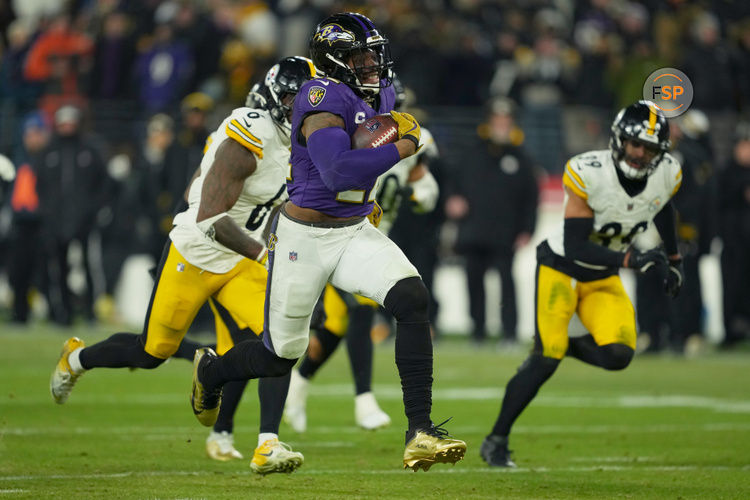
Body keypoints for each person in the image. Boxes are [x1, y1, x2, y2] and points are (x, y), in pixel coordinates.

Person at [188, 12, 466, 472]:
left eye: (374, 55)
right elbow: (338, 173)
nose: (373, 66)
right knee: (279, 356)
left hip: (353, 230)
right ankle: (211, 371)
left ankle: (419, 430)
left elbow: (363, 159)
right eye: (361, 57)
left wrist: (375, 190)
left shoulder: (382, 92)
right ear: (336, 60)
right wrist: (402, 146)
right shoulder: (320, 98)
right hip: (304, 238)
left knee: (412, 298)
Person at [50, 56, 315, 475]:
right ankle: (77, 359)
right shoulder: (251, 133)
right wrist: (266, 254)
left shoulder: (298, 143)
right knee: (154, 351)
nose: (300, 109)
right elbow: (209, 215)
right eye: (291, 98)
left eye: (307, 101)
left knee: (281, 341)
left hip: (241, 259)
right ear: (270, 96)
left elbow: (209, 183)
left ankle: (267, 443)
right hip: (198, 251)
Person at [480, 101, 683, 467]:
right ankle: (496, 439)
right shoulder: (589, 171)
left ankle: (566, 347)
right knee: (544, 360)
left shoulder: (667, 173)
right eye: (634, 144)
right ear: (618, 140)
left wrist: (674, 258)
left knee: (619, 355)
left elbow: (663, 206)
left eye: (649, 147)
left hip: (602, 276)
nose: (639, 154)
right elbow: (575, 245)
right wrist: (632, 259)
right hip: (562, 269)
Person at [283, 76, 440, 433]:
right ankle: (364, 401)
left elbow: (425, 186)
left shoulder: (415, 138)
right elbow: (332, 171)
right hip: (338, 235)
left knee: (337, 327)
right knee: (358, 314)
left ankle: (298, 385)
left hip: (372, 241)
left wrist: (417, 192)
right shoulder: (350, 129)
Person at [444, 97, 538, 345]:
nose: (501, 125)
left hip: (506, 233)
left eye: (506, 121)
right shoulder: (471, 153)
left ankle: (509, 333)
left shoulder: (522, 159)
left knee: (507, 283)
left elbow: (531, 199)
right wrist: (453, 200)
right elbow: (453, 185)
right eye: (497, 120)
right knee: (474, 282)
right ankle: (478, 332)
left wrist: (528, 229)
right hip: (473, 231)